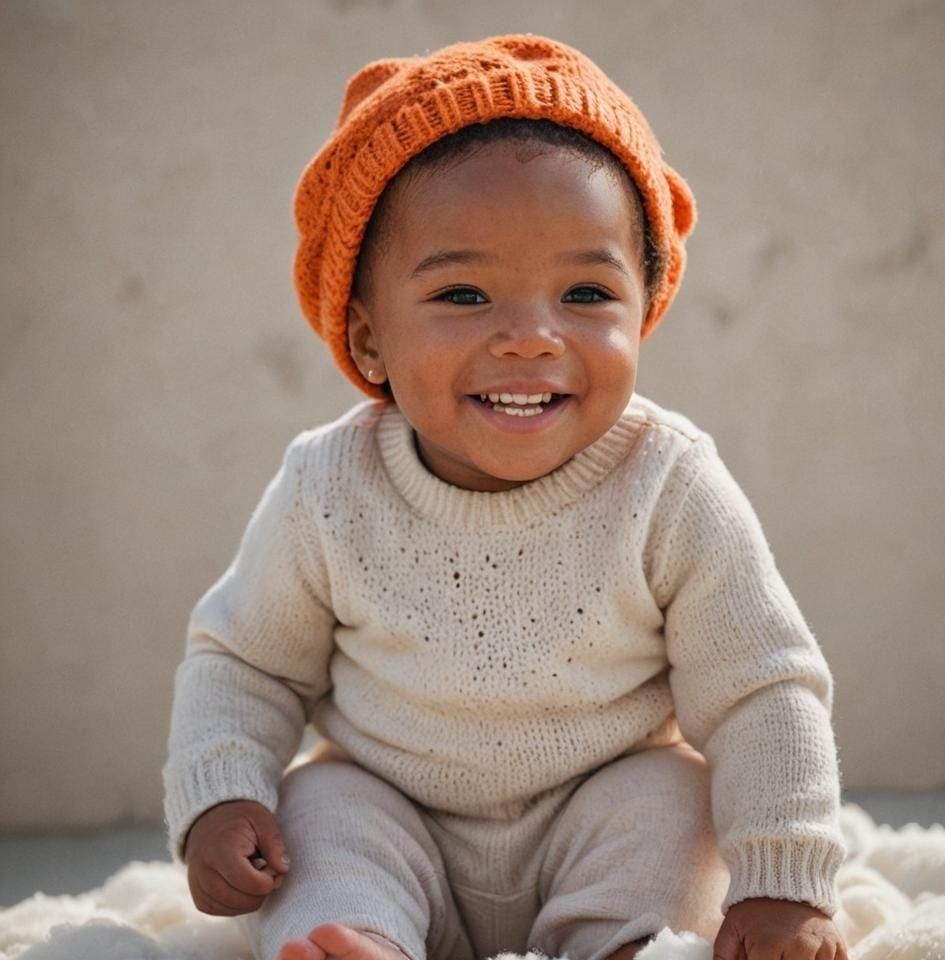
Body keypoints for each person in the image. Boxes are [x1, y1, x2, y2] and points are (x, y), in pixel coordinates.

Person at [162, 33, 850, 960]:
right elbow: (248, 664)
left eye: (585, 292)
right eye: (463, 295)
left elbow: (761, 689)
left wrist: (781, 882)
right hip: (394, 808)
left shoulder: (669, 483)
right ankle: (360, 938)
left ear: (644, 309)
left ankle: (624, 942)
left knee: (676, 799)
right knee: (320, 807)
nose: (530, 337)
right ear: (368, 340)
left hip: (602, 805)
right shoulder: (328, 486)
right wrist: (221, 795)